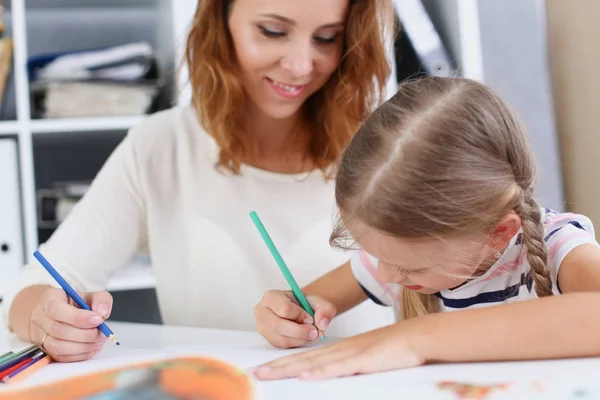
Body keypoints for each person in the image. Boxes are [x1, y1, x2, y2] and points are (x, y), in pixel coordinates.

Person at [1, 0, 398, 363]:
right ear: (219, 21)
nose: (300, 65)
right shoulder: (161, 146)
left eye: (327, 38)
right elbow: (37, 284)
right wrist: (47, 321)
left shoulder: (389, 146)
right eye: (272, 31)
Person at [251, 76, 600, 381]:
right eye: (376, 255)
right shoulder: (393, 261)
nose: (386, 274)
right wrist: (285, 315)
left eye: (411, 267)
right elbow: (305, 304)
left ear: (499, 233)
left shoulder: (560, 248)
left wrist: (417, 336)